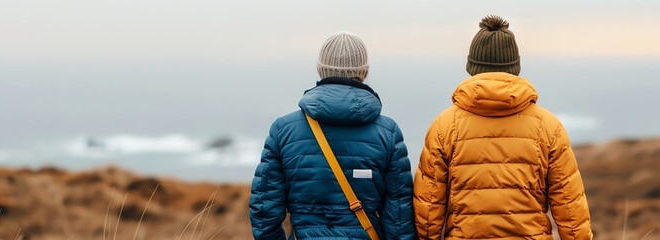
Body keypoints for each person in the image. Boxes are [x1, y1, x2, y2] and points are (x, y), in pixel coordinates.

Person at [413, 16, 593, 240]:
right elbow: (569, 204)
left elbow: (429, 208)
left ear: (472, 67)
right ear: (515, 67)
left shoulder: (444, 126)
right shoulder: (548, 126)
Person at [250, 32, 416, 240]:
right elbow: (399, 218)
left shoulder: (283, 129)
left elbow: (264, 209)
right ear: (363, 72)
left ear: (321, 69)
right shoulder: (388, 132)